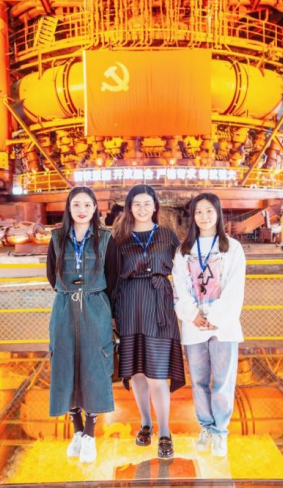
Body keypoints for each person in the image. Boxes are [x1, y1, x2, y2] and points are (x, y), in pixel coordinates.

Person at [106, 184, 184, 460]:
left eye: (146, 203)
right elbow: (111, 276)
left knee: (157, 375)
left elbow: (184, 273)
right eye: (136, 204)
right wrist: (111, 312)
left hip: (159, 305)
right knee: (137, 372)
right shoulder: (118, 238)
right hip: (128, 305)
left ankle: (165, 432)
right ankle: (145, 424)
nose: (142, 208)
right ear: (129, 208)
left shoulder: (167, 236)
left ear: (154, 207)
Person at [172, 193, 246, 457]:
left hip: (223, 326)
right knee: (199, 381)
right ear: (193, 216)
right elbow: (179, 286)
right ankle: (205, 427)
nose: (204, 216)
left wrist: (214, 317)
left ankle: (220, 432)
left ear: (218, 214)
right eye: (199, 212)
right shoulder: (184, 251)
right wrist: (192, 314)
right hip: (194, 325)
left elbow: (235, 287)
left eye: (209, 211)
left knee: (224, 380)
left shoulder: (232, 248)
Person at [46, 186, 115, 464]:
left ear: (95, 208)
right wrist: (69, 291)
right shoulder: (57, 238)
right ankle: (76, 431)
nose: (82, 210)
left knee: (93, 367)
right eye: (76, 204)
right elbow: (51, 274)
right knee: (65, 366)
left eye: (87, 204)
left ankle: (90, 434)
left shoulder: (105, 239)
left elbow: (113, 276)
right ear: (69, 208)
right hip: (64, 308)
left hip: (94, 308)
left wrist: (101, 306)